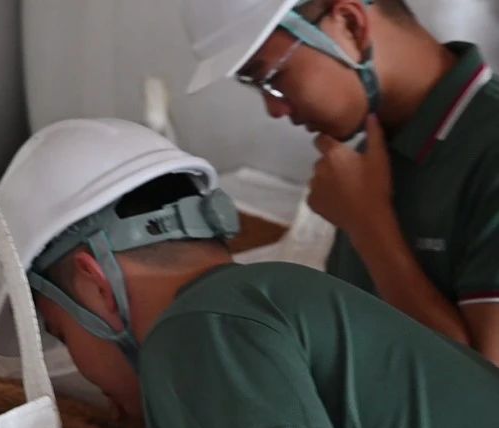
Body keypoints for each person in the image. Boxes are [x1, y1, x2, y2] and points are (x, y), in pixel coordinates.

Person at [0, 117, 499, 428]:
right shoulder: (273, 302)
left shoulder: (198, 336)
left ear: (95, 285)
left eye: (61, 333)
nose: (77, 365)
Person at [182, 0, 499, 365]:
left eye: (272, 79)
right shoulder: (370, 155)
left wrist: (368, 224)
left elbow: (485, 384)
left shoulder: (487, 151)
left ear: (349, 23)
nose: (275, 110)